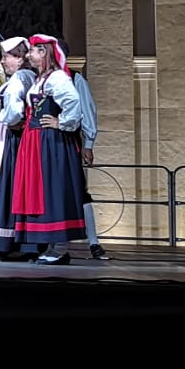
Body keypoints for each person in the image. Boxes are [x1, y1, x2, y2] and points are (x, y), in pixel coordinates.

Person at [11, 35, 88, 264]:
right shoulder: (40, 79)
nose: (28, 55)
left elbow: (74, 103)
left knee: (52, 189)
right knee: (41, 190)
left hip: (50, 142)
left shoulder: (57, 78)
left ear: (44, 52)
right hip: (35, 140)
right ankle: (50, 245)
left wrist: (60, 122)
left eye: (33, 51)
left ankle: (59, 247)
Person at [0, 37, 34, 258]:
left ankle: (6, 242)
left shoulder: (21, 77)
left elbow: (13, 111)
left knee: (4, 186)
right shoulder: (24, 77)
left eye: (7, 57)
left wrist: (6, 121)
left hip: (10, 137)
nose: (2, 61)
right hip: (8, 135)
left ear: (20, 59)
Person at [57, 37, 110, 259]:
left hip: (68, 141)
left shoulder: (75, 79)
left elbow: (88, 111)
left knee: (79, 191)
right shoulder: (39, 80)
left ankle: (93, 242)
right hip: (42, 143)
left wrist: (88, 143)